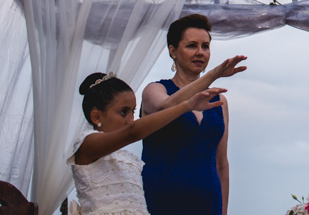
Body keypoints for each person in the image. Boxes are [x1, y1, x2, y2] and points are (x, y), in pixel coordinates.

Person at [70, 71, 225, 215]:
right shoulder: (87, 145)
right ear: (97, 117)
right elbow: (133, 131)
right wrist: (186, 106)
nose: (131, 120)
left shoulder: (130, 160)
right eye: (123, 112)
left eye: (133, 111)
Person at [141, 14, 247, 215]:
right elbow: (165, 108)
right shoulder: (155, 90)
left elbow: (221, 163)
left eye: (205, 46)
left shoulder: (219, 101)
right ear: (173, 51)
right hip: (162, 201)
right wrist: (213, 74)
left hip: (208, 202)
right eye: (192, 46)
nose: (200, 52)